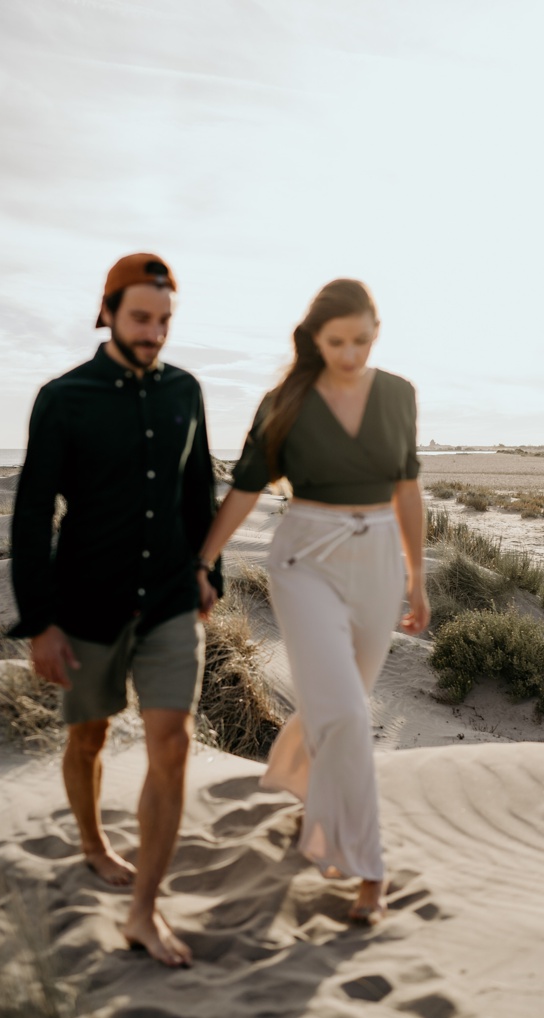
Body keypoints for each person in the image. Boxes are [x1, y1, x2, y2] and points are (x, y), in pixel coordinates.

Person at [10, 252, 223, 968]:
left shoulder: (186, 391)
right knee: (90, 742)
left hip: (166, 600)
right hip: (86, 608)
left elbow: (199, 490)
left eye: (164, 320)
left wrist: (207, 571)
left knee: (173, 742)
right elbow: (33, 512)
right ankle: (94, 845)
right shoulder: (63, 398)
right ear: (107, 312)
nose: (154, 332)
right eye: (140, 317)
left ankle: (143, 912)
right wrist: (40, 621)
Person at [196, 278, 429, 924]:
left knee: (339, 703)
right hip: (305, 558)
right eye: (336, 342)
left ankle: (306, 786)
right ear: (314, 339)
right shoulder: (287, 402)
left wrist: (418, 575)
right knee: (349, 715)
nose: (350, 352)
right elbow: (244, 488)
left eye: (361, 339)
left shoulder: (398, 395)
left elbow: (408, 489)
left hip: (380, 557)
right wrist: (205, 556)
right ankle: (366, 870)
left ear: (375, 331)